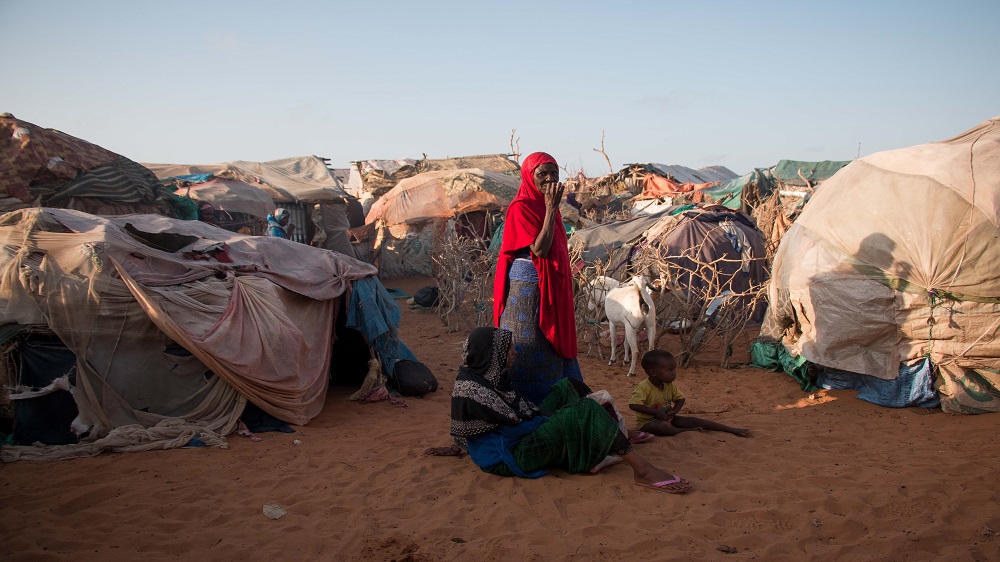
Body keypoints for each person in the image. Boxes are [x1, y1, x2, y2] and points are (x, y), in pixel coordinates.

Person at [431, 327, 692, 493]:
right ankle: (643, 470)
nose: (514, 352)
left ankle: (612, 433)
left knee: (568, 386)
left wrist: (547, 419)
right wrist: (552, 420)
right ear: (492, 353)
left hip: (519, 434)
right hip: (508, 456)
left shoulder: (490, 376)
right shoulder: (471, 390)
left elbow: (500, 419)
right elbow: (491, 429)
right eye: (507, 348)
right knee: (583, 410)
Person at [494, 152, 580, 405]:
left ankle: (556, 402)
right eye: (542, 174)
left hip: (552, 287)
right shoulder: (520, 208)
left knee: (553, 347)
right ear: (529, 176)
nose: (550, 178)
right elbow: (540, 250)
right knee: (530, 342)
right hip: (528, 290)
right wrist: (552, 209)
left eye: (554, 173)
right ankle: (525, 404)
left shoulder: (548, 208)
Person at [629, 350, 750, 438]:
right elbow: (634, 405)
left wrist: (674, 411)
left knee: (694, 419)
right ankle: (684, 431)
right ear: (653, 372)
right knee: (663, 427)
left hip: (668, 418)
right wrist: (655, 412)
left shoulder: (668, 385)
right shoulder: (644, 387)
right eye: (669, 370)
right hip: (648, 423)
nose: (674, 373)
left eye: (674, 369)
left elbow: (680, 399)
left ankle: (732, 430)